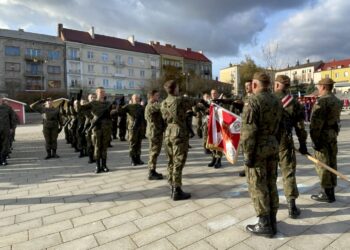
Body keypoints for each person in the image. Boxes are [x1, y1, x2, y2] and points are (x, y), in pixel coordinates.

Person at [241, 72, 282, 237]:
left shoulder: (253, 101)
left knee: (257, 185)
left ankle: (264, 223)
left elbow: (249, 132)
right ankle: (272, 219)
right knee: (271, 183)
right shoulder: (277, 101)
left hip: (258, 148)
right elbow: (281, 126)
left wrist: (247, 154)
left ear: (255, 85)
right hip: (273, 145)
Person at [161, 79, 204, 200]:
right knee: (179, 162)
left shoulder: (163, 102)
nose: (179, 89)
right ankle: (177, 190)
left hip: (168, 132)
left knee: (170, 160)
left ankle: (171, 184)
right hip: (179, 132)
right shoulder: (180, 100)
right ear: (175, 89)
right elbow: (195, 101)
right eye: (178, 87)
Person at [274, 75, 308, 219]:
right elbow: (300, 127)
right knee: (288, 172)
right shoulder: (294, 103)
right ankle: (291, 206)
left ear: (277, 85)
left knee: (270, 173)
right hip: (285, 141)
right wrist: (302, 144)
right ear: (287, 86)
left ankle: (272, 203)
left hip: (268, 141)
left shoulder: (267, 99)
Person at [310, 78, 342, 203]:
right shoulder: (337, 101)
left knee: (322, 164)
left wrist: (314, 139)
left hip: (322, 136)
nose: (317, 88)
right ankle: (332, 191)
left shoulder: (321, 101)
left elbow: (316, 124)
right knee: (332, 162)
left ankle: (326, 193)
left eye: (318, 86)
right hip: (332, 135)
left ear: (323, 87)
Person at [77, 87, 114, 173]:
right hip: (97, 128)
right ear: (97, 93)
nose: (102, 93)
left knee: (104, 148)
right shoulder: (93, 103)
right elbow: (79, 109)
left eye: (103, 92)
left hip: (106, 129)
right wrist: (78, 100)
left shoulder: (108, 104)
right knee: (97, 147)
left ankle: (104, 165)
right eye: (101, 92)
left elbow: (112, 114)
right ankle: (98, 166)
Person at [119, 94, 145, 166]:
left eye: (138, 98)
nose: (137, 99)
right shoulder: (129, 106)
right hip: (132, 128)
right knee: (132, 143)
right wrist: (121, 103)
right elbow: (120, 112)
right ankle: (133, 159)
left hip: (140, 127)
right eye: (135, 98)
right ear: (132, 99)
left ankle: (138, 158)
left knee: (139, 143)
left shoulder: (141, 107)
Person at [144, 90, 165, 180]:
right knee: (153, 152)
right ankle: (151, 172)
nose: (158, 97)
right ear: (151, 97)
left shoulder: (153, 105)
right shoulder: (150, 106)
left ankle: (153, 170)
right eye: (156, 95)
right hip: (154, 133)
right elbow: (161, 105)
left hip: (157, 132)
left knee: (155, 152)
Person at [238, 80, 253, 177]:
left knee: (252, 149)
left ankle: (251, 169)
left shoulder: (256, 97)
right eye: (245, 86)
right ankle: (246, 168)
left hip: (252, 128)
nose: (247, 87)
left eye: (248, 85)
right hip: (244, 127)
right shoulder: (244, 98)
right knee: (244, 149)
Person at [0, 98, 15, 165]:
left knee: (5, 145)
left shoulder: (8, 108)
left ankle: (4, 159)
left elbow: (12, 118)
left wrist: (12, 128)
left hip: (6, 129)